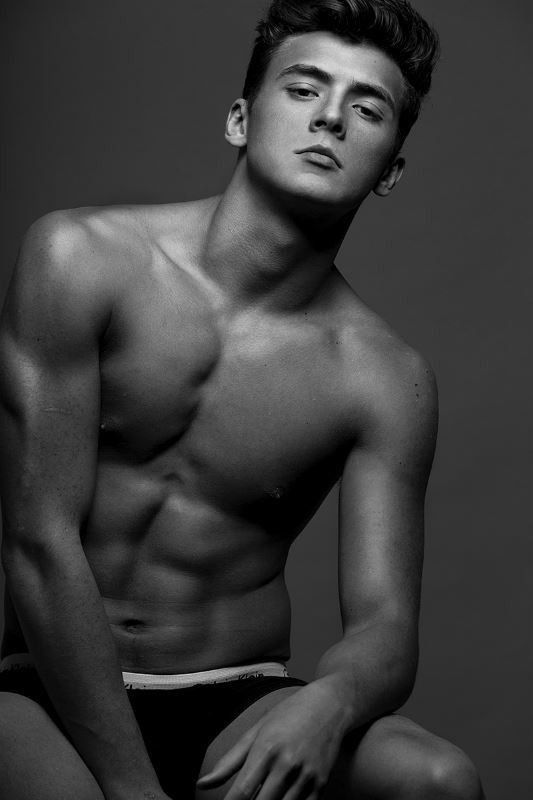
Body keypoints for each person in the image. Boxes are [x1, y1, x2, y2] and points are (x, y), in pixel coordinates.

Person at [0, 0, 485, 798]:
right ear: (239, 119)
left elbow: (385, 626)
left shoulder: (382, 377)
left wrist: (330, 701)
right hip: (46, 688)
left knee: (435, 779)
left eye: (367, 109)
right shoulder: (80, 260)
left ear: (389, 171)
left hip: (234, 696)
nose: (329, 118)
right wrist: (136, 789)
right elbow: (38, 542)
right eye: (303, 88)